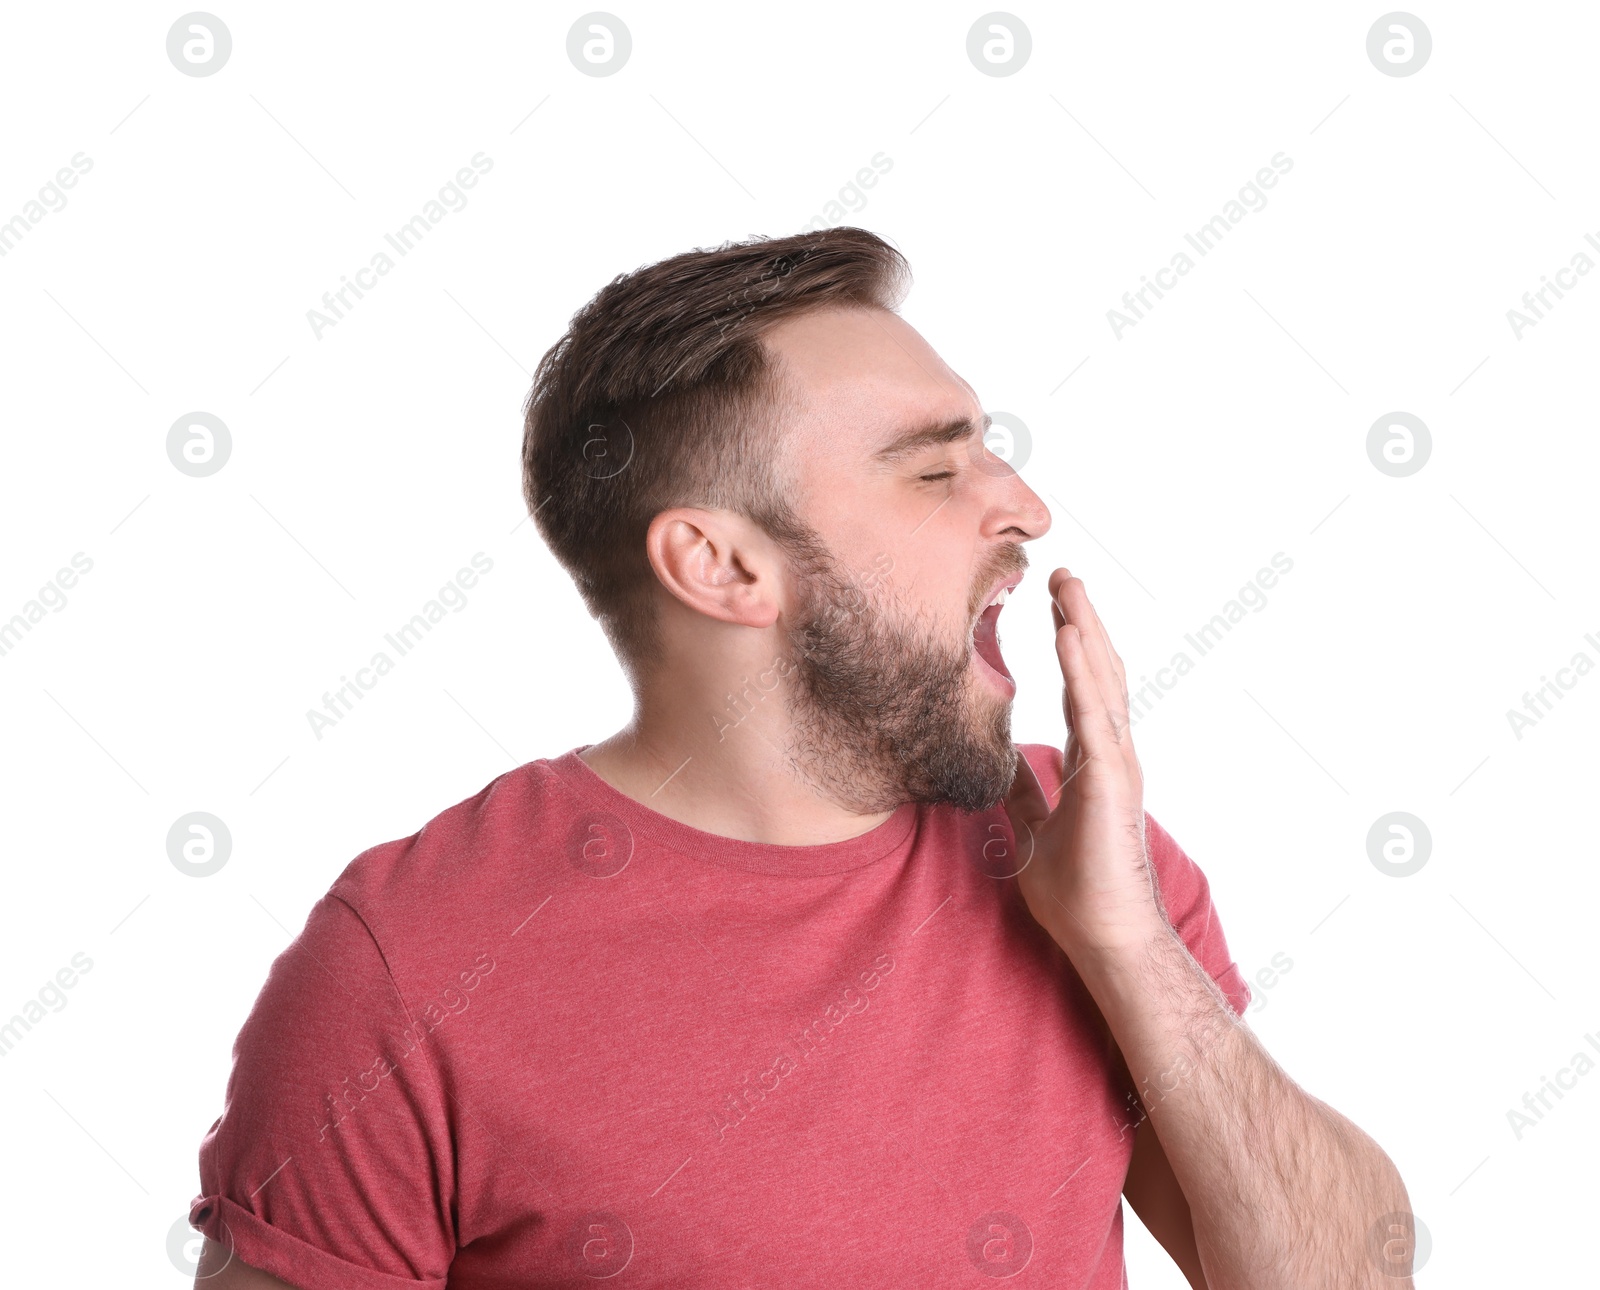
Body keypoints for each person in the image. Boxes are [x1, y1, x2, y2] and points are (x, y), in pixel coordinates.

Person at [190, 227, 1412, 1288]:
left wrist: (1130, 946)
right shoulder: (404, 968)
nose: (1024, 508)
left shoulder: (1082, 859)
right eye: (935, 469)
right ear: (719, 566)